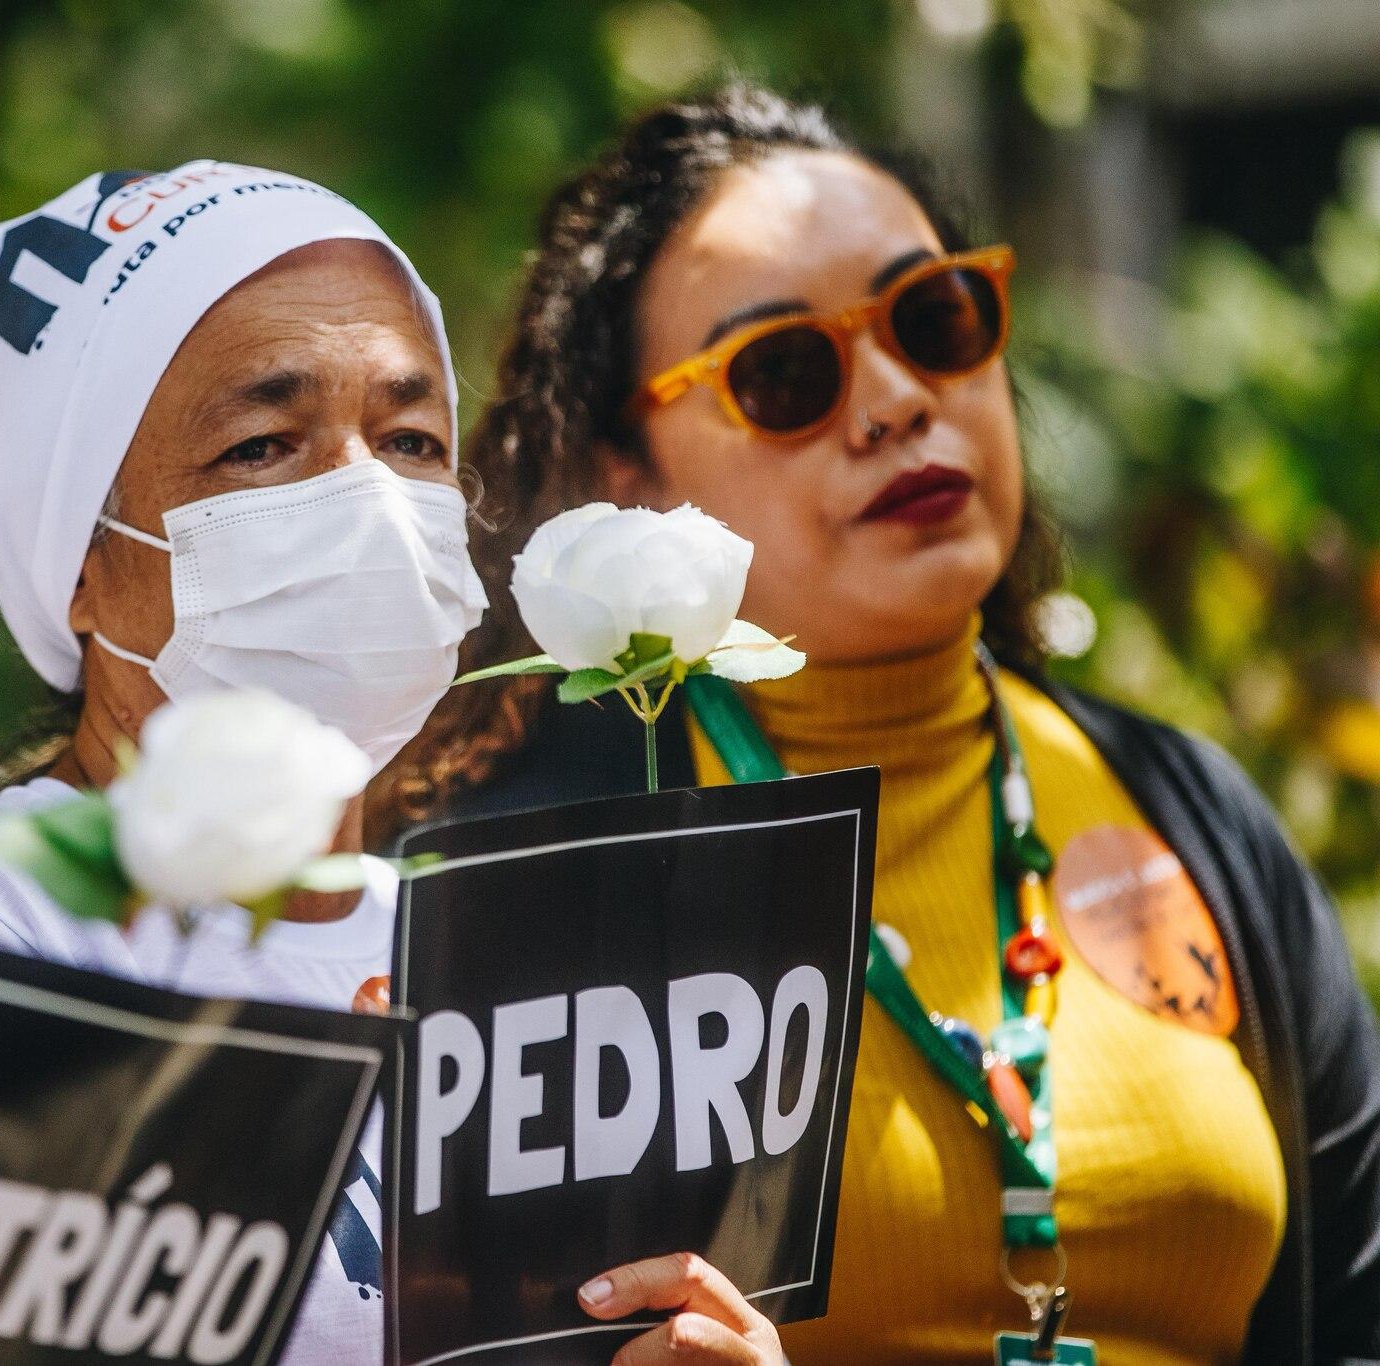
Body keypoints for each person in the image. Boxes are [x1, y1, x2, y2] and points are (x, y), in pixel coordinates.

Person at [397, 85, 1380, 1362]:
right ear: (619, 472)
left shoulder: (1186, 813)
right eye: (784, 372)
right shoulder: (533, 881)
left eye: (933, 318)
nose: (894, 400)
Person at [0, 160, 786, 1365]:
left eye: (411, 437)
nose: (370, 501)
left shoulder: (496, 948)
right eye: (262, 445)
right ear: (80, 563)